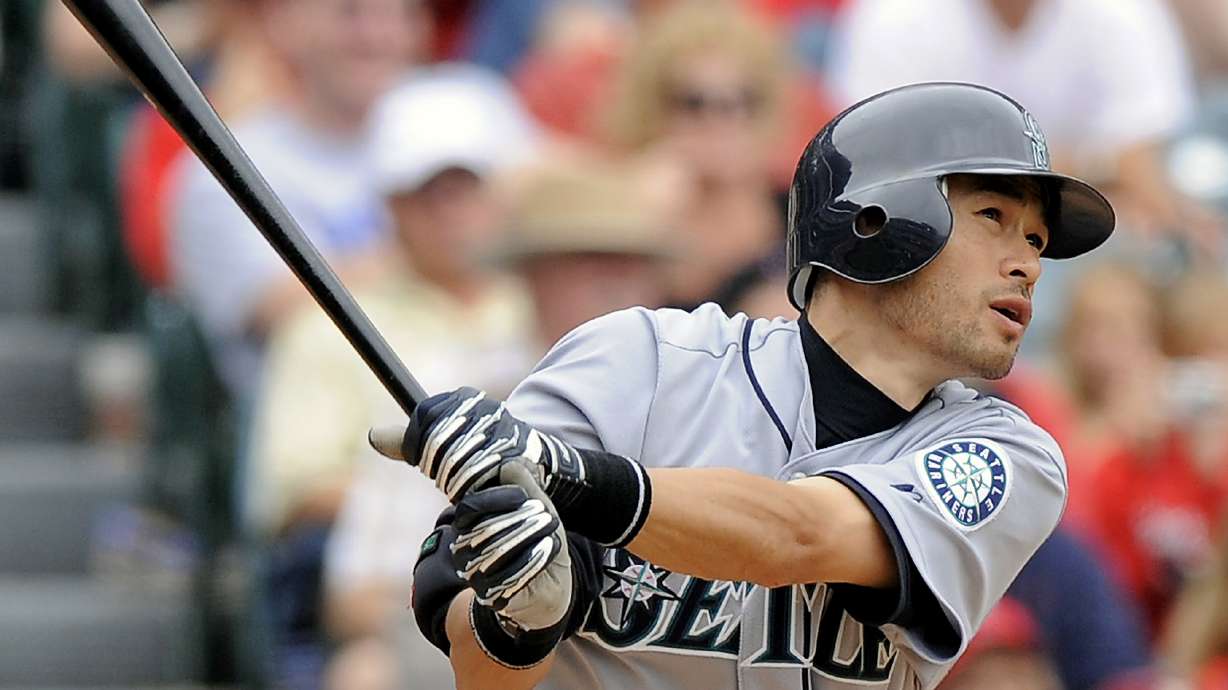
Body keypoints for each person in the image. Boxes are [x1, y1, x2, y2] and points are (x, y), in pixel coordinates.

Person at [368, 82, 1117, 689]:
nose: (1029, 263)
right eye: (994, 217)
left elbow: (800, 534)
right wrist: (515, 623)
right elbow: (476, 663)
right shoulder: (641, 363)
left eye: (1036, 241)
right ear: (877, 220)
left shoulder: (1006, 457)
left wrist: (570, 477)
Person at [321, 158, 674, 690]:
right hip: (480, 644)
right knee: (364, 674)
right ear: (532, 276)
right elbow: (353, 596)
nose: (613, 282)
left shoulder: (696, 396)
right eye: (586, 260)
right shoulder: (453, 393)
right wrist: (493, 604)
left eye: (630, 262)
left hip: (654, 652)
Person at [244, 63, 538, 687]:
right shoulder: (328, 322)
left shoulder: (546, 304)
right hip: (387, 585)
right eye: (426, 192)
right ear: (389, 203)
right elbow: (295, 493)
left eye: (467, 188)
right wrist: (443, 501)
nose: (450, 211)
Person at [167, 0, 425, 397]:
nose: (376, 36)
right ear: (284, 23)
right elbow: (283, 312)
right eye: (349, 13)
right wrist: (443, 253)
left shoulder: (468, 116)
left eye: (400, 14)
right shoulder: (229, 168)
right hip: (322, 424)